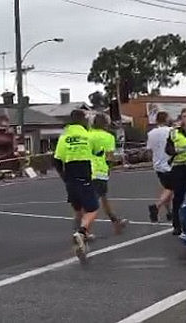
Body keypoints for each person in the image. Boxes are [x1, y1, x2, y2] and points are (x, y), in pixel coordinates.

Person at [54, 109, 102, 262]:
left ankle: (80, 238)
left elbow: (56, 160)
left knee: (77, 209)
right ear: (82, 120)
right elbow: (98, 151)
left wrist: (64, 177)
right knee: (93, 209)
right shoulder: (88, 136)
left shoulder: (64, 137)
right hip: (84, 174)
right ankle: (81, 233)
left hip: (70, 176)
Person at [89, 113, 128, 235]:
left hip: (85, 170)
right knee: (93, 204)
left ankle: (116, 221)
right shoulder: (108, 137)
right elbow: (109, 157)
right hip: (99, 171)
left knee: (103, 198)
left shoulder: (87, 135)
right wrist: (110, 167)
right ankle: (83, 230)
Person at [146, 111, 174, 223]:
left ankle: (169, 212)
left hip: (157, 164)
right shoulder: (171, 131)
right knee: (171, 188)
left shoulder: (151, 133)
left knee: (166, 188)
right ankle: (157, 206)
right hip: (169, 163)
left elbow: (149, 150)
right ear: (166, 119)